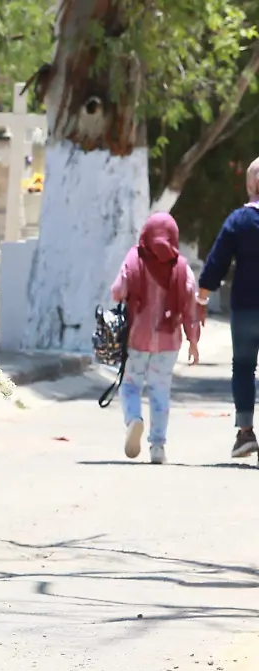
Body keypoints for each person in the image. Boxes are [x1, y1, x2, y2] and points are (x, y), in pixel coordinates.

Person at [111, 213, 200, 464]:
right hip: (169, 341)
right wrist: (193, 342)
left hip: (136, 338)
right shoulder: (182, 268)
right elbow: (190, 310)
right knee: (160, 390)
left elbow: (117, 291)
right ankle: (158, 446)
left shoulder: (134, 260)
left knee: (130, 384)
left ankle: (134, 419)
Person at [197, 156, 259, 459]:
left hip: (246, 307)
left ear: (249, 185)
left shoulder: (239, 221)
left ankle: (245, 433)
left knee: (244, 367)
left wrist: (201, 298)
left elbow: (216, 262)